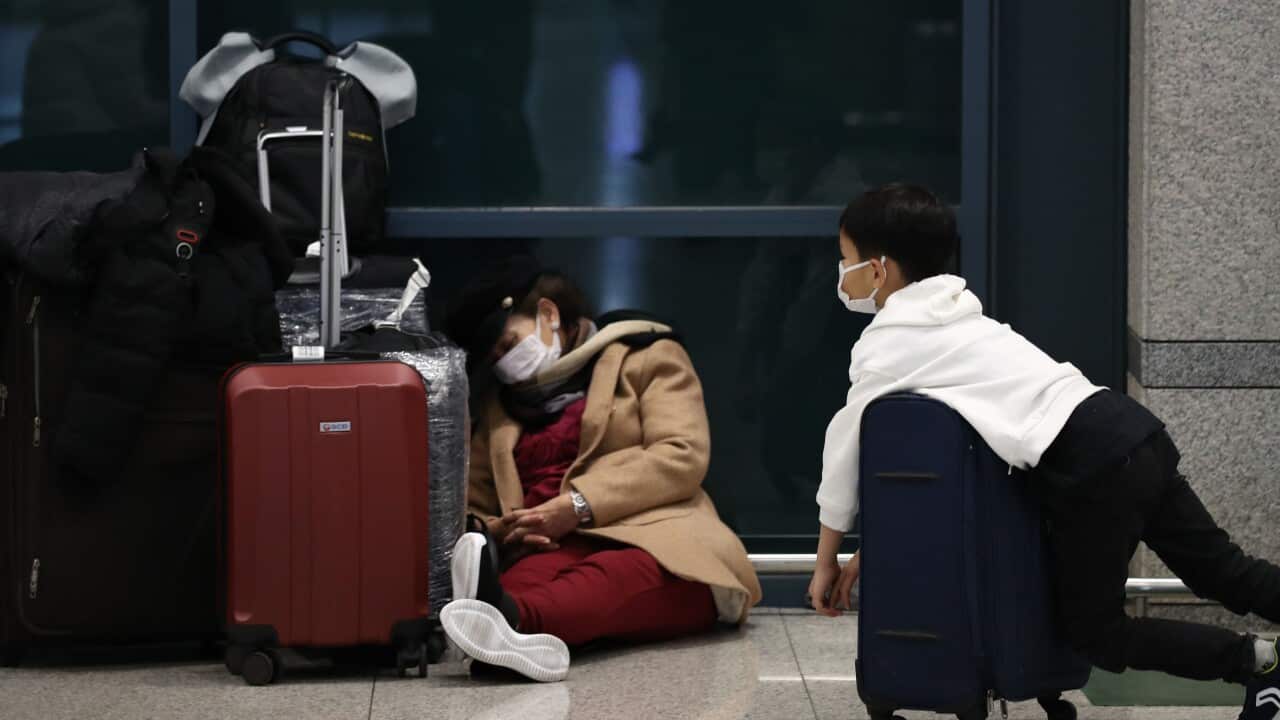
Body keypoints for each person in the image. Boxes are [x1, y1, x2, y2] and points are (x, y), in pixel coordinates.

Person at [806, 183, 1280, 718]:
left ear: (878, 269)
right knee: (1225, 572)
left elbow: (846, 453)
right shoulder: (963, 315)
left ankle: (1257, 661)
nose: (841, 273)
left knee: (1098, 634)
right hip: (1130, 431)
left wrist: (826, 560)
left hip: (1095, 468)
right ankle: (1260, 661)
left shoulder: (889, 345)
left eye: (845, 259)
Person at [438, 257, 762, 682]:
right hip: (549, 542)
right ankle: (503, 633)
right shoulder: (499, 407)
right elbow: (477, 500)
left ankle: (510, 625)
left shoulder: (647, 355)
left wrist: (575, 506)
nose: (505, 364)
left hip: (651, 531)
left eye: (509, 343)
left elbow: (682, 454)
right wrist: (504, 531)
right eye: (495, 358)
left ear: (549, 315)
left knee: (613, 578)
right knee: (523, 582)